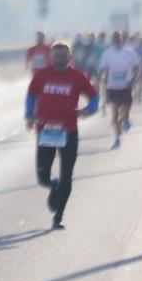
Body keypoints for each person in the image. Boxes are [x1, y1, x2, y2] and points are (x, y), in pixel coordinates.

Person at [25, 42, 99, 229]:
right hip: (46, 131)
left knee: (67, 176)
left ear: (70, 58)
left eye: (63, 56)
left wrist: (88, 110)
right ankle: (53, 186)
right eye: (56, 56)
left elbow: (94, 96)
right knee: (42, 176)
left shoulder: (77, 76)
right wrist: (29, 114)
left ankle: (58, 216)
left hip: (68, 132)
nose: (60, 59)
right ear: (51, 57)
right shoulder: (41, 75)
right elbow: (31, 95)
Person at [99, 31, 141, 148]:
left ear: (123, 39)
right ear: (112, 40)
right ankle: (117, 138)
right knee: (115, 114)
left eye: (119, 39)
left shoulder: (130, 52)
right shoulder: (107, 53)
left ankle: (126, 119)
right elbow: (104, 69)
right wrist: (104, 81)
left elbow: (136, 67)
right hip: (112, 86)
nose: (117, 41)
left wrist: (133, 80)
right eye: (115, 39)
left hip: (125, 86)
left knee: (126, 108)